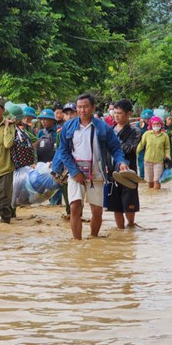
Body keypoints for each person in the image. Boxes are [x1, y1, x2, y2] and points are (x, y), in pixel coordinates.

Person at [57, 92, 129, 240]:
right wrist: (74, 171)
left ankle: (93, 239)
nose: (82, 110)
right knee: (75, 207)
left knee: (97, 211)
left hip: (97, 173)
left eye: (85, 107)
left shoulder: (103, 128)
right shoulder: (68, 127)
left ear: (93, 107)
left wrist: (121, 162)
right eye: (79, 107)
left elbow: (115, 148)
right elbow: (63, 152)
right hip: (75, 173)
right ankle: (77, 242)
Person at [105, 99, 141, 229]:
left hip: (128, 172)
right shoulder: (109, 130)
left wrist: (114, 146)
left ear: (128, 114)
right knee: (115, 205)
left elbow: (130, 148)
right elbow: (104, 150)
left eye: (119, 113)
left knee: (129, 203)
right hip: (111, 172)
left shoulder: (135, 131)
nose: (116, 116)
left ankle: (131, 226)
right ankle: (120, 230)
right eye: (114, 113)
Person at [136, 116, 170, 189]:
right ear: (151, 125)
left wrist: (167, 155)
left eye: (157, 124)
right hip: (147, 160)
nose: (156, 126)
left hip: (159, 161)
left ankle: (157, 197)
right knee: (150, 181)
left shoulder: (165, 136)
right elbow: (141, 145)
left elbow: (167, 148)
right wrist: (134, 152)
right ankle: (152, 197)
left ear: (161, 124)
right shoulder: (147, 134)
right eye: (154, 124)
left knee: (157, 181)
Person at [137, 109, 153, 178]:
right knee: (141, 162)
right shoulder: (139, 125)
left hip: (152, 147)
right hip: (142, 146)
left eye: (149, 118)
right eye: (146, 118)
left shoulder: (155, 124)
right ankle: (142, 177)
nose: (147, 120)